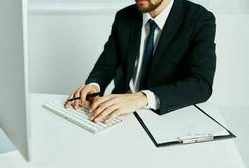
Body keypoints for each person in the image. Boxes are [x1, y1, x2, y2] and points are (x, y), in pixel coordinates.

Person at [64, 0, 216, 124]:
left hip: (165, 116)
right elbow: (105, 65)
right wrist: (94, 85)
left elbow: (201, 84)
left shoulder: (199, 19)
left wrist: (141, 98)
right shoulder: (124, 17)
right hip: (118, 114)